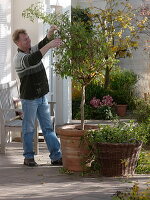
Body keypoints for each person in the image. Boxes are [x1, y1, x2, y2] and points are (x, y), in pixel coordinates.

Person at [12, 26, 62, 167]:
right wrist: (49, 45)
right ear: (18, 43)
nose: (28, 41)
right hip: (29, 99)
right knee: (29, 129)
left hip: (41, 97)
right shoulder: (19, 58)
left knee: (47, 128)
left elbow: (40, 45)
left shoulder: (31, 50)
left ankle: (56, 157)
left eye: (28, 38)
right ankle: (28, 157)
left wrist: (49, 35)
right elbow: (33, 59)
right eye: (25, 39)